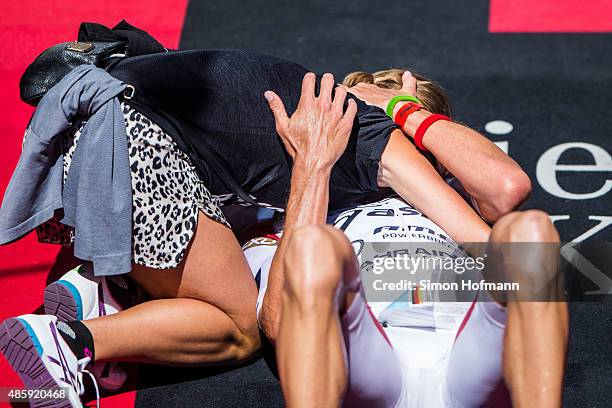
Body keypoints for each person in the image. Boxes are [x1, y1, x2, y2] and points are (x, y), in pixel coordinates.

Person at [0, 51, 529, 407]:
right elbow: (500, 229)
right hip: (129, 144)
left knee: (223, 258)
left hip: (91, 131)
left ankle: (108, 289)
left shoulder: (313, 123)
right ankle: (70, 339)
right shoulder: (364, 135)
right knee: (236, 328)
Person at [243, 77, 568, 407]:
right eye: (363, 131)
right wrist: (313, 166)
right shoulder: (304, 206)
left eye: (399, 137)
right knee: (315, 246)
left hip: (469, 354)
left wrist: (403, 111)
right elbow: (278, 322)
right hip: (372, 361)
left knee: (532, 231)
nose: (381, 147)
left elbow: (507, 187)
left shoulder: (461, 197)